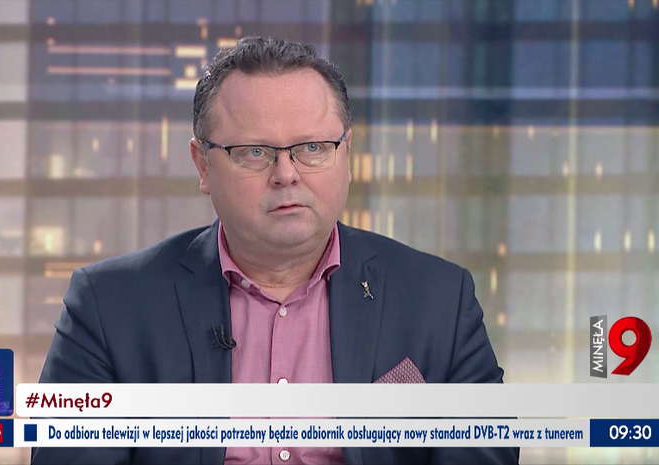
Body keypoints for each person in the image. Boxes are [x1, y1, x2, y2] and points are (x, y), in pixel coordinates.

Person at [32, 36, 519, 465]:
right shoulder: (108, 306)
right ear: (203, 165)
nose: (286, 174)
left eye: (313, 148)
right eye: (255, 152)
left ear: (347, 155)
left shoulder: (440, 300)